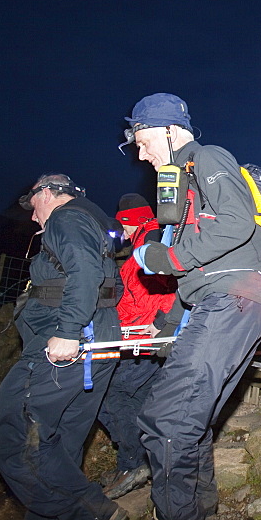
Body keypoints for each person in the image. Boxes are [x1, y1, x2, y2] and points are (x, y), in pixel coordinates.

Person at [122, 93, 261, 520]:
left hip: (232, 301)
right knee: (189, 419)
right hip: (228, 301)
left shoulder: (206, 157)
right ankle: (202, 519)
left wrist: (167, 257)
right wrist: (168, 321)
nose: (140, 150)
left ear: (169, 130)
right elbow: (205, 259)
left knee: (167, 420)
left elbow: (236, 223)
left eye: (144, 138)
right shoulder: (180, 175)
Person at [0, 174, 128, 520]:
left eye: (33, 204)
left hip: (69, 344)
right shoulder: (92, 223)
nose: (33, 216)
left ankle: (92, 514)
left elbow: (84, 273)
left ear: (48, 193)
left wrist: (68, 331)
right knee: (59, 444)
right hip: (96, 339)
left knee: (19, 435)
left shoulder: (66, 219)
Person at [96, 194, 177, 500]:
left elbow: (167, 288)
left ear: (131, 221)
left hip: (144, 338)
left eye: (123, 225)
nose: (121, 234)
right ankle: (135, 461)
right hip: (138, 337)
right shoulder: (146, 241)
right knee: (137, 400)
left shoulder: (152, 240)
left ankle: (134, 462)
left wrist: (159, 324)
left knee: (109, 392)